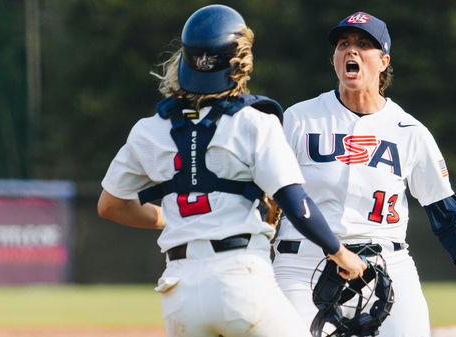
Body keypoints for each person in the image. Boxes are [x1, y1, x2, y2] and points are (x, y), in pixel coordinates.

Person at [97, 5, 365, 337]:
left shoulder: (148, 130)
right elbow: (296, 202)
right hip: (240, 277)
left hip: (179, 289)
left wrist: (167, 219)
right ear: (239, 63)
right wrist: (339, 253)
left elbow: (110, 206)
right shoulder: (254, 122)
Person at [272, 11, 456, 336]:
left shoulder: (409, 131)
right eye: (343, 44)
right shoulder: (300, 118)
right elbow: (268, 198)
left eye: (364, 44)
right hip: (301, 263)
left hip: (386, 265)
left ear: (384, 61)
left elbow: (447, 215)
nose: (351, 51)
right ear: (334, 58)